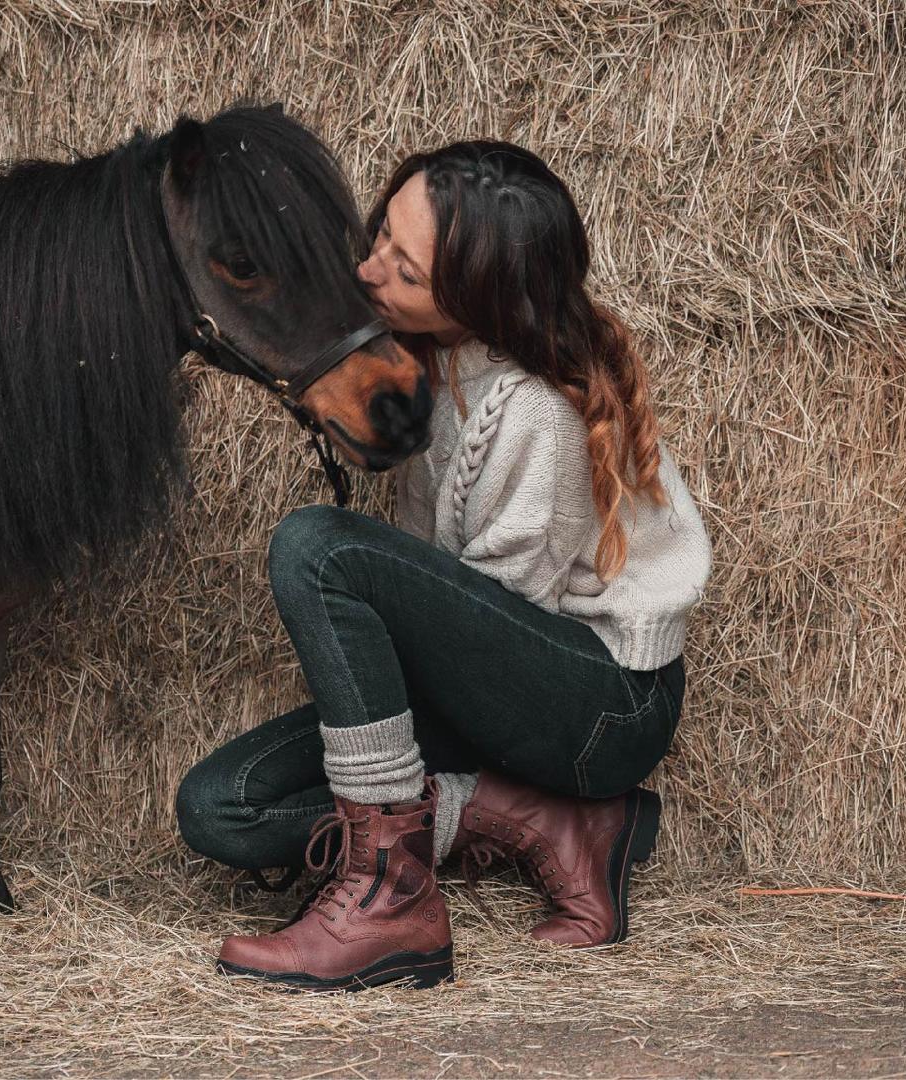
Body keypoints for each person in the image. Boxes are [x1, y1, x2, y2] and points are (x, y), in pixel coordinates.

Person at [176, 141, 713, 992]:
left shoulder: (536, 411)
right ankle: (553, 825)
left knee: (318, 548)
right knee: (223, 805)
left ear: (480, 301)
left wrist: (367, 637)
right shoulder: (427, 360)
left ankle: (392, 899)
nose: (366, 271)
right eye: (382, 234)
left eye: (407, 273)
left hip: (601, 703)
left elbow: (480, 630)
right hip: (501, 685)